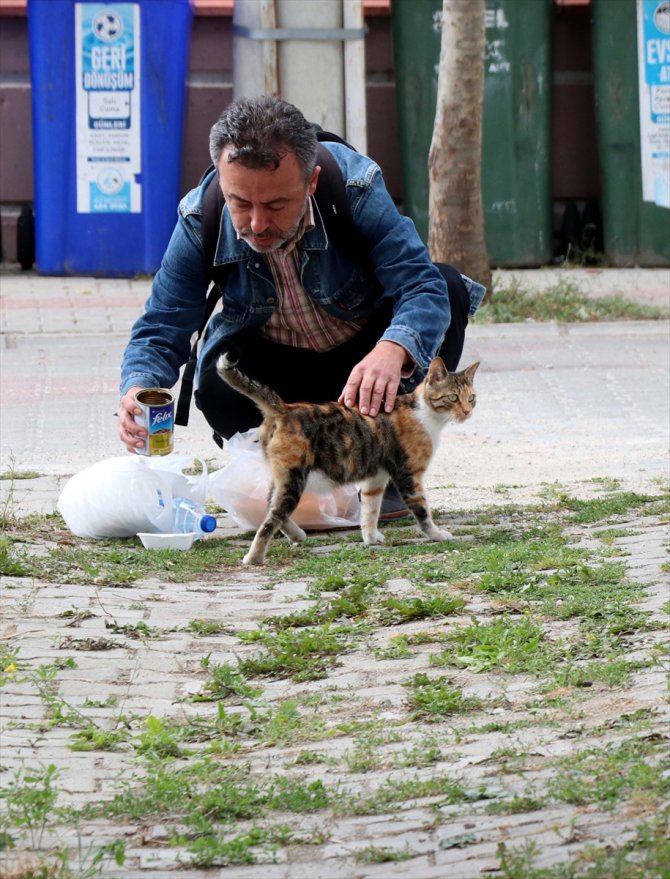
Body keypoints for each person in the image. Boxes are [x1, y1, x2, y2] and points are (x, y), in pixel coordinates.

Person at [118, 95, 485, 517]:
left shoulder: (354, 186)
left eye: (276, 205)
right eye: (240, 203)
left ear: (310, 183)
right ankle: (283, 471)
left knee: (447, 286)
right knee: (218, 374)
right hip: (276, 386)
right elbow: (160, 326)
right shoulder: (201, 215)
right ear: (222, 178)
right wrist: (137, 389)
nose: (256, 224)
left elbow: (421, 285)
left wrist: (394, 349)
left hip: (364, 379)